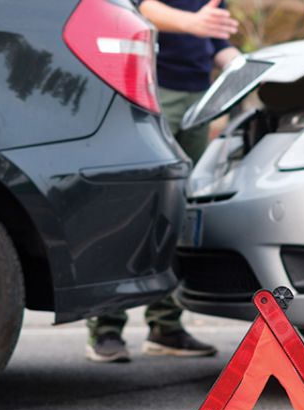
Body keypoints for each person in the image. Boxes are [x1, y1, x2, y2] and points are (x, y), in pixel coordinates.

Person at [85, 0, 242, 363]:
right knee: (133, 208)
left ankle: (165, 325)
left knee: (179, 212)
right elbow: (138, 7)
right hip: (151, 89)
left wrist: (244, 67)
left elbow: (216, 40)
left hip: (198, 97)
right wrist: (192, 22)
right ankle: (106, 327)